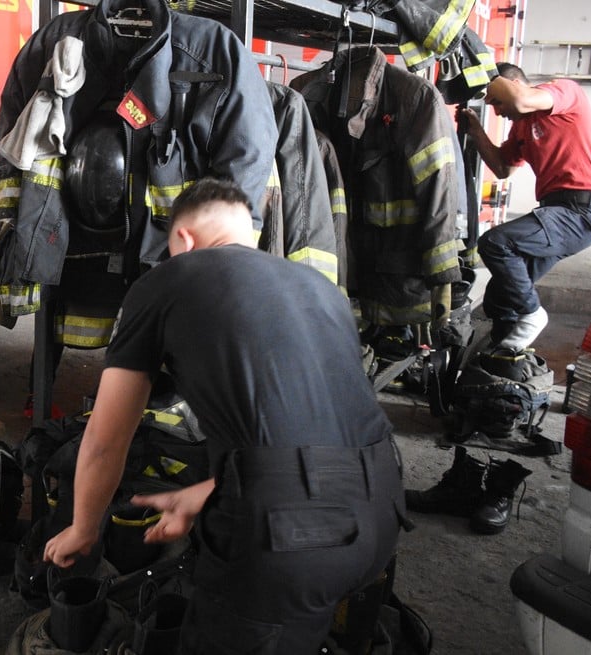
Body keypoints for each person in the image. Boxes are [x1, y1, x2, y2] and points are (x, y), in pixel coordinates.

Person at [43, 178, 407, 654]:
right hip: (383, 509)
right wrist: (205, 493)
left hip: (288, 541)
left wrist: (84, 527)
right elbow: (309, 431)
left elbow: (106, 439)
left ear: (183, 240)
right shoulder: (320, 289)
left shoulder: (166, 282)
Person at [458, 63, 591, 351]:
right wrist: (476, 130)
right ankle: (502, 366)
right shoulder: (522, 128)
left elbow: (520, 99)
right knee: (500, 299)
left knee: (495, 243)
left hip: (580, 212)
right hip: (557, 210)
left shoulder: (564, 92)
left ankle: (532, 314)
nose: (498, 111)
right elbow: (503, 168)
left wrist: (482, 71)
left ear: (514, 83)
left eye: (497, 102)